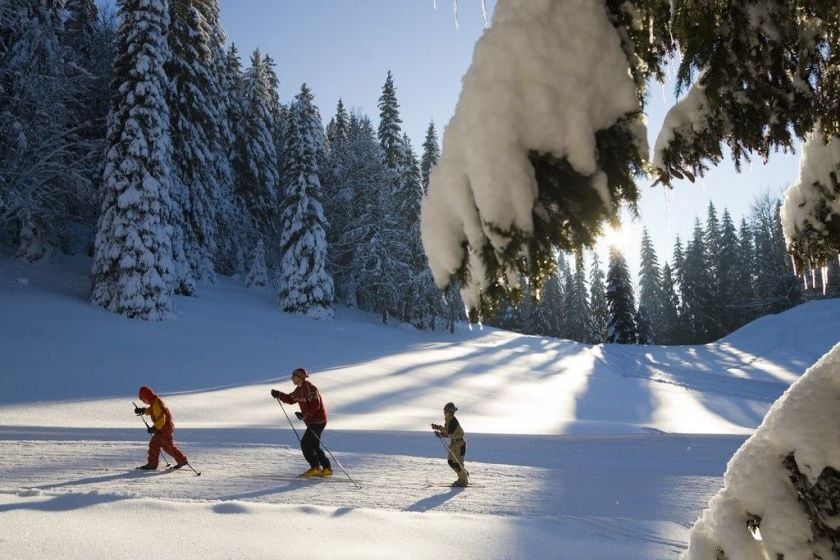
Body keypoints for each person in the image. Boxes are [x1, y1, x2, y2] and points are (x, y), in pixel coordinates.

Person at [271, 367, 332, 477]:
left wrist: (304, 415)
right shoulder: (299, 390)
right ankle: (326, 468)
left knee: (305, 443)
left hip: (318, 421)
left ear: (300, 377)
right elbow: (290, 399)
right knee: (313, 445)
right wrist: (278, 394)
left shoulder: (310, 388)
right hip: (313, 421)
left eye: (294, 376)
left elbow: (315, 405)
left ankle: (316, 467)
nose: (292, 378)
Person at [134, 386, 188, 470]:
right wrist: (142, 410)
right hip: (165, 427)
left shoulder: (156, 404)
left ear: (147, 397)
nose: (144, 402)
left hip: (164, 428)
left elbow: (161, 419)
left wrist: (154, 428)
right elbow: (150, 411)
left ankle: (152, 464)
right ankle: (181, 460)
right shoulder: (154, 402)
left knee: (154, 444)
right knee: (167, 446)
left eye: (143, 400)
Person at [431, 402, 469, 487]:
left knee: (457, 463)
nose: (444, 412)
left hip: (459, 444)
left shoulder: (453, 421)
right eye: (444, 410)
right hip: (454, 444)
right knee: (451, 462)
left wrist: (438, 428)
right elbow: (449, 433)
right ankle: (464, 474)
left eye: (445, 410)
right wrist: (440, 433)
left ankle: (463, 480)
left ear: (449, 412)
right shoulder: (449, 420)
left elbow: (449, 432)